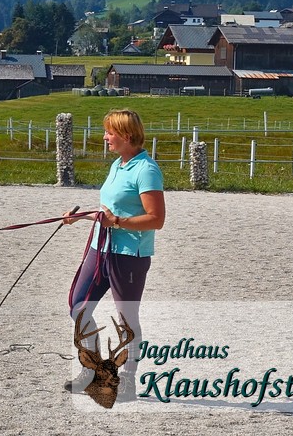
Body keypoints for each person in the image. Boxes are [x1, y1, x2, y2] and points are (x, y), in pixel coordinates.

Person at [62, 109, 165, 401]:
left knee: (126, 319)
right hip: (100, 248)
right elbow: (107, 211)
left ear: (127, 135)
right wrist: (81, 217)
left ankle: (128, 381)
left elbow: (156, 219)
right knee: (78, 307)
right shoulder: (118, 166)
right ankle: (93, 370)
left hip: (129, 255)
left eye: (110, 132)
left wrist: (117, 222)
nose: (105, 137)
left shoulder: (147, 170)